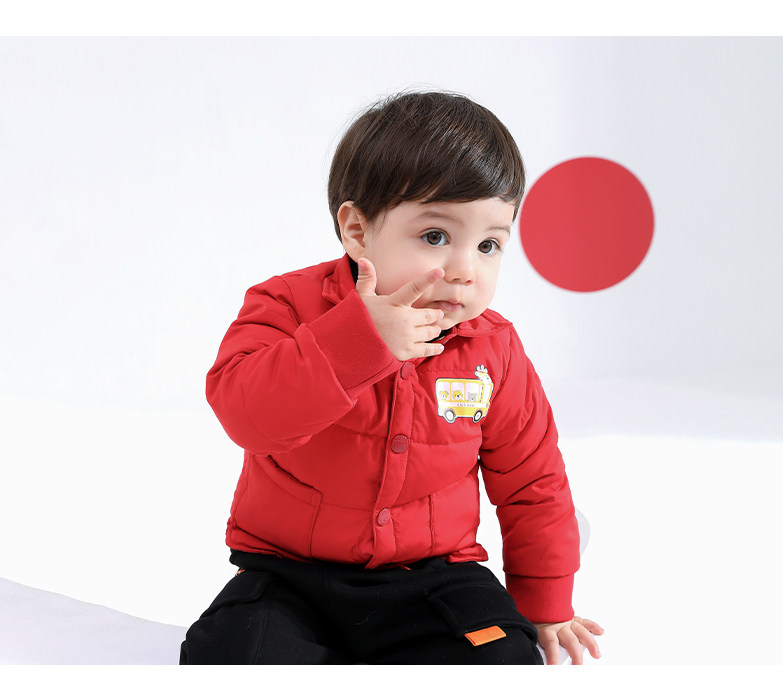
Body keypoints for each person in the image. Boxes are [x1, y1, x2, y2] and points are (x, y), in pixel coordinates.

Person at [180, 90, 603, 665]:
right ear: (357, 231)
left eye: (488, 245)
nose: (464, 270)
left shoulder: (494, 347)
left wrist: (546, 603)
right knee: (230, 657)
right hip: (288, 576)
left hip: (434, 578)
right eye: (435, 237)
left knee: (502, 659)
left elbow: (534, 482)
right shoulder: (286, 304)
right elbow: (246, 415)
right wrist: (358, 341)